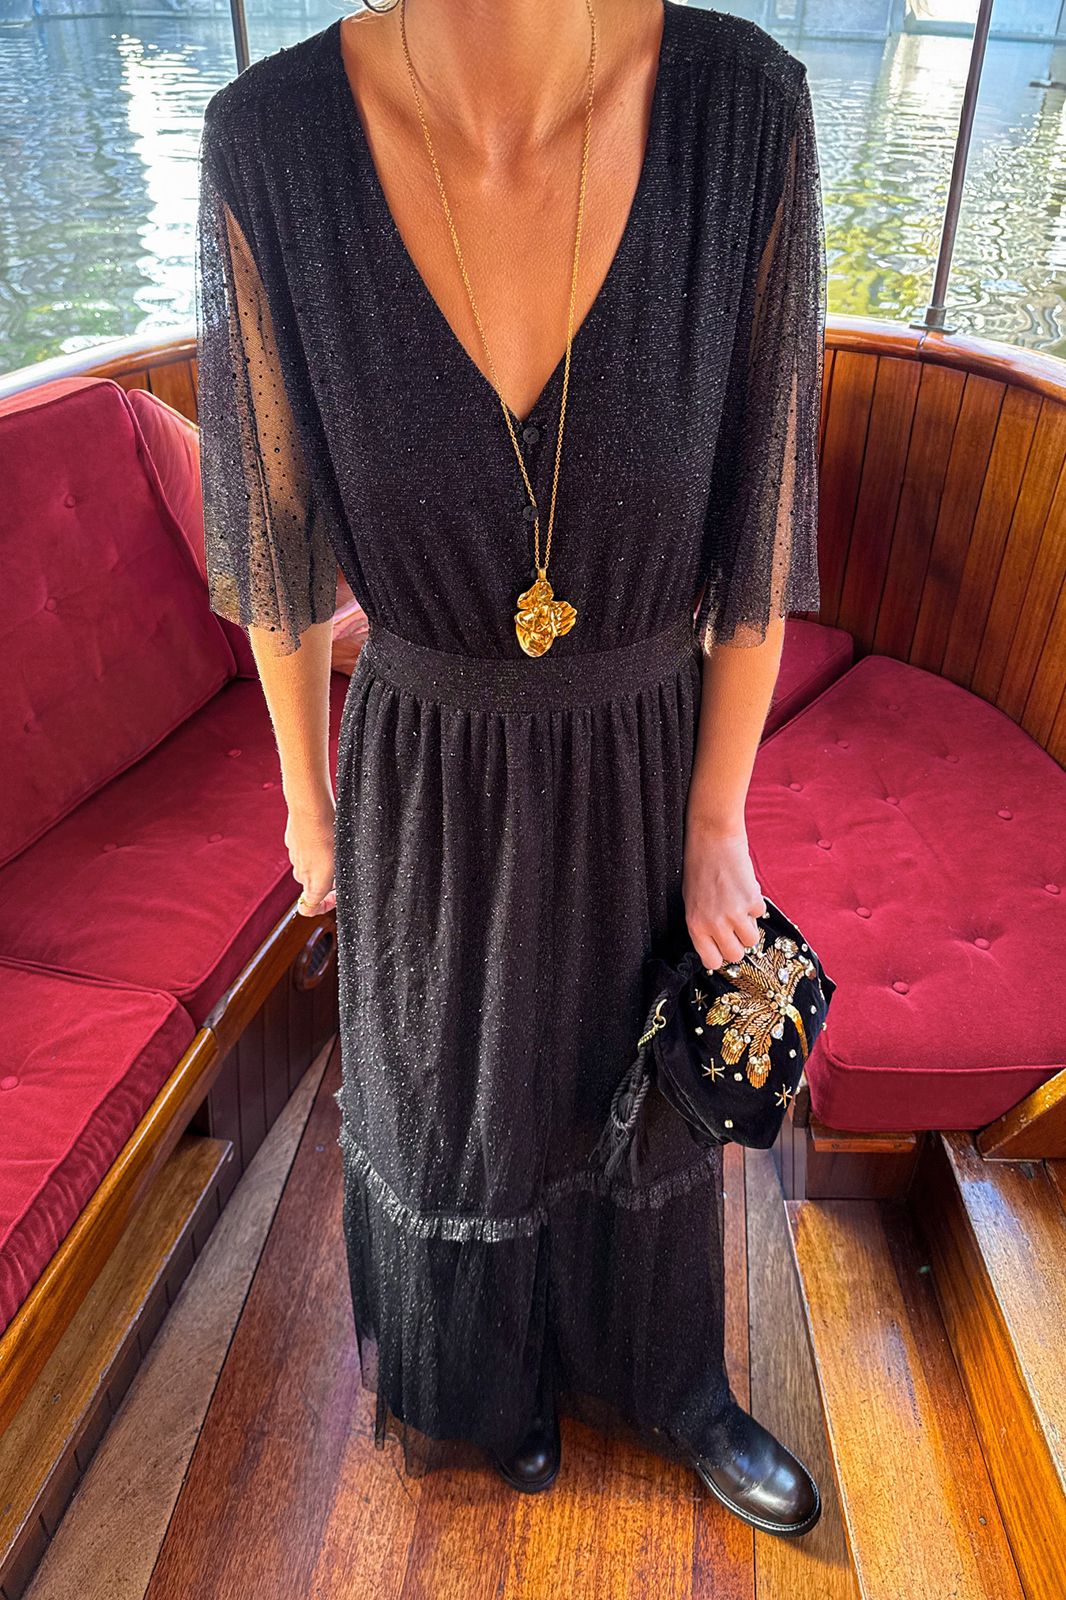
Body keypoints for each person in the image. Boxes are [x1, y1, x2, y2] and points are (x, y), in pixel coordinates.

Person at [195, 0, 826, 1538]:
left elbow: (757, 521)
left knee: (636, 1072)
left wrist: (717, 815)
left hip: (642, 740)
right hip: (424, 755)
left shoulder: (743, 111)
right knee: (449, 1093)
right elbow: (276, 543)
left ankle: (664, 1377)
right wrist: (305, 803)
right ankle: (492, 1382)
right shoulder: (269, 145)